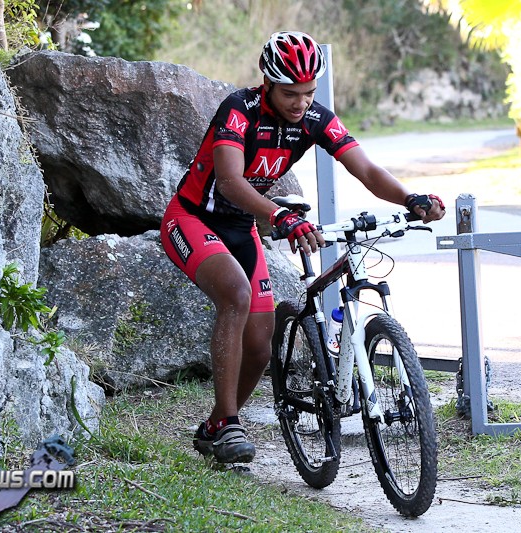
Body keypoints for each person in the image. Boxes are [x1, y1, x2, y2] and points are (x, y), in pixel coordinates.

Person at [160, 30, 445, 464]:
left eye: (309, 92)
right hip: (192, 218)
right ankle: (232, 425)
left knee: (261, 345)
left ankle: (215, 426)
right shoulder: (239, 109)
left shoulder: (315, 119)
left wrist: (411, 198)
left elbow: (366, 169)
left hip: (241, 227)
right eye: (290, 93)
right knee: (236, 294)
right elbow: (231, 182)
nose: (301, 103)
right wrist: (280, 215)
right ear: (268, 84)